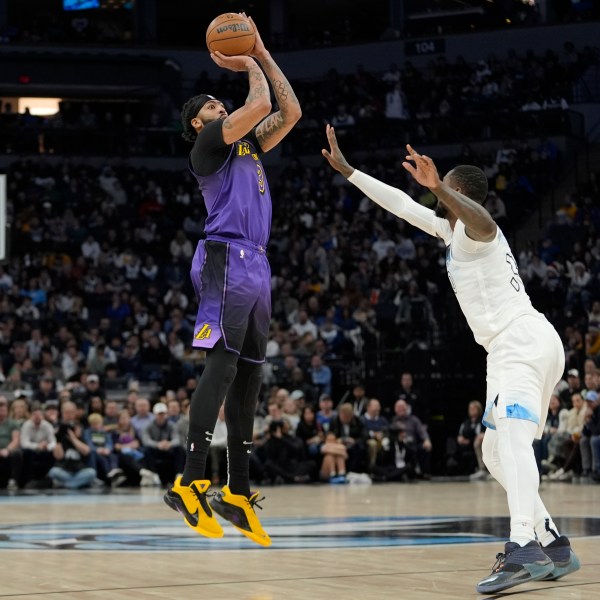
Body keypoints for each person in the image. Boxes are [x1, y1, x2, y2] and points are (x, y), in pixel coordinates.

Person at [321, 125, 580, 594]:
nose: (432, 191)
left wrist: (438, 186)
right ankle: (553, 542)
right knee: (494, 451)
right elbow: (402, 205)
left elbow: (486, 222)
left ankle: (521, 545)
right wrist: (350, 171)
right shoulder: (450, 231)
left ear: (455, 191)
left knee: (514, 442)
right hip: (519, 345)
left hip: (519, 343)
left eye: (443, 188)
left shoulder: (478, 231)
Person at [163, 15, 301, 549]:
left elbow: (289, 111)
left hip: (257, 262)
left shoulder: (250, 148)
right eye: (213, 107)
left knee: (249, 380)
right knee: (220, 367)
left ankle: (237, 491)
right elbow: (261, 105)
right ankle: (191, 479)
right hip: (224, 257)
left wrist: (262, 49)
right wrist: (246, 62)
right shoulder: (209, 149)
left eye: (223, 103)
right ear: (199, 123)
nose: (221, 107)